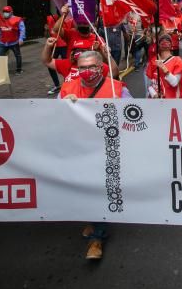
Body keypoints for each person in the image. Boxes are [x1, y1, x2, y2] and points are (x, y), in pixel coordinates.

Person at [60, 50, 130, 260]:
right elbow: (51, 116)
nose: (87, 71)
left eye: (91, 67)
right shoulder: (67, 88)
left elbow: (135, 116)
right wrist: (64, 106)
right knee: (83, 189)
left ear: (101, 67)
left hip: (106, 150)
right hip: (77, 149)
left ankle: (97, 238)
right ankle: (92, 221)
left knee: (98, 190)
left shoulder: (117, 89)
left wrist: (121, 108)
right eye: (82, 67)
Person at [41, 37, 118, 86]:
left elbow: (114, 74)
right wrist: (48, 46)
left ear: (90, 51)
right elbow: (47, 61)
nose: (79, 53)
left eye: (83, 50)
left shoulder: (96, 65)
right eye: (76, 50)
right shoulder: (67, 64)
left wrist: (108, 56)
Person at [146, 32, 182, 98]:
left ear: (171, 44)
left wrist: (164, 69)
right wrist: (154, 94)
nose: (164, 41)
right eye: (162, 40)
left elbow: (174, 83)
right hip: (155, 102)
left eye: (167, 40)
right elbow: (149, 84)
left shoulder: (177, 61)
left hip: (171, 102)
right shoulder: (153, 61)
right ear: (158, 45)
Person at [0, 5, 25, 74]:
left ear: (11, 12)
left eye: (7, 12)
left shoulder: (17, 19)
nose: (5, 13)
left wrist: (21, 38)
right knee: (0, 56)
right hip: (3, 42)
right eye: (4, 11)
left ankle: (19, 70)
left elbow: (22, 29)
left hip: (13, 42)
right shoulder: (0, 20)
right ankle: (1, 71)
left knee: (17, 55)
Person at [45, 11, 69, 95]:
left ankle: (68, 83)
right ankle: (57, 85)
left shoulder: (69, 18)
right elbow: (48, 30)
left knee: (67, 66)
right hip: (55, 44)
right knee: (50, 65)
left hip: (65, 45)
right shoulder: (51, 18)